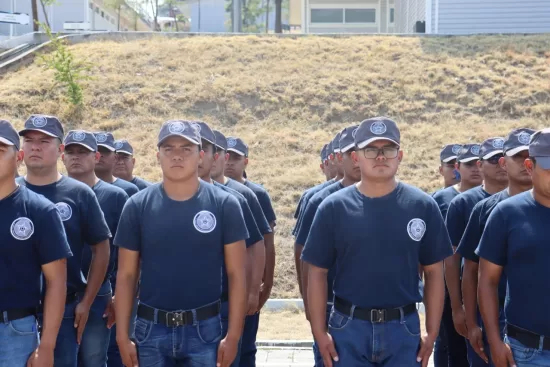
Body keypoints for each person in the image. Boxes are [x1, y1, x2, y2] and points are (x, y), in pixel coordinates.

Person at [302, 117, 452, 367]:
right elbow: (316, 272)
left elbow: (435, 272)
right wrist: (319, 332)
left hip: (403, 329)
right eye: (371, 150)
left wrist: (432, 331)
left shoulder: (423, 206)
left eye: (388, 149)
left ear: (400, 155)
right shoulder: (333, 208)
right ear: (356, 157)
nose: (380, 157)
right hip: (348, 328)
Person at [114, 120, 249, 367]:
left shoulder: (225, 205)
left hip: (205, 331)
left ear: (200, 155)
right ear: (158, 156)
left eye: (186, 149)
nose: (177, 156)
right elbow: (126, 275)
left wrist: (234, 335)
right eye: (169, 149)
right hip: (150, 329)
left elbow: (237, 273)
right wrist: (122, 336)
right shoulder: (137, 206)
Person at [17, 114, 111, 367]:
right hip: (15, 314)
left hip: (65, 310)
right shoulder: (9, 190)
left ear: (59, 150)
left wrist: (86, 302)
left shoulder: (78, 193)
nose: (35, 146)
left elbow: (101, 248)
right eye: (29, 140)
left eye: (44, 141)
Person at [457, 128, 535, 367]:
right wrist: (472, 323)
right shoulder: (485, 210)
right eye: (517, 157)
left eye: (529, 156)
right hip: (492, 317)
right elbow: (470, 271)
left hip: (534, 322)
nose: (525, 163)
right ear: (504, 162)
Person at [0, 120, 72, 367]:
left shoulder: (40, 211)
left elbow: (56, 281)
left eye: (0, 151)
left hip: (15, 332)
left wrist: (47, 346)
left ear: (18, 157)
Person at [477, 128, 550, 367]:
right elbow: (487, 281)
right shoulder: (507, 214)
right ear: (530, 166)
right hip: (527, 353)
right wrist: (495, 342)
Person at [197, 122, 265, 367]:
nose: (194, 154)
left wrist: (253, 290)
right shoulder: (153, 199)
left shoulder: (235, 200)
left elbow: (257, 246)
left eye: (200, 147)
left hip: (222, 308)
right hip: (171, 315)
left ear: (215, 156)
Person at [61, 130, 130, 367]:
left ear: (96, 157)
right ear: (62, 156)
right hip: (59, 292)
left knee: (94, 359)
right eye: (70, 152)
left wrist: (120, 295)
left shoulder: (116, 196)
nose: (76, 157)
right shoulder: (53, 193)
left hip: (101, 292)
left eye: (83, 152)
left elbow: (126, 252)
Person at [296, 125, 361, 366]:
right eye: (350, 153)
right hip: (331, 306)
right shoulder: (320, 201)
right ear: (340, 157)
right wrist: (309, 303)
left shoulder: (393, 198)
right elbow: (303, 254)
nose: (357, 159)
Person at [444, 139, 508, 343]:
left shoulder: (530, 201)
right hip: (480, 302)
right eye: (494, 159)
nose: (501, 164)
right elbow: (454, 260)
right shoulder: (464, 203)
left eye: (504, 159)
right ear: (482, 165)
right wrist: (458, 306)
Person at [225, 136, 277, 367]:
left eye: (236, 158)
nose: (230, 163)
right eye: (228, 156)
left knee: (246, 347)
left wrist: (264, 283)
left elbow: (265, 242)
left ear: (245, 161)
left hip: (247, 284)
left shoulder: (256, 194)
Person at [431, 143, 470, 367]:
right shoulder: (438, 199)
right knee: (445, 341)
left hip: (473, 279)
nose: (455, 171)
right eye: (450, 165)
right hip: (446, 281)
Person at [93, 132, 139, 197]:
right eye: (96, 151)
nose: (100, 155)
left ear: (115, 157)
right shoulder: (77, 188)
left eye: (105, 151)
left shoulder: (129, 189)